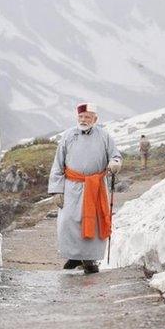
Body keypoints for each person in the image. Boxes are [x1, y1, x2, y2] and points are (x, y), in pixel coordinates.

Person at [48, 103, 122, 275]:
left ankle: (89, 260)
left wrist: (115, 163)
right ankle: (74, 256)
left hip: (95, 186)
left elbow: (115, 156)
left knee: (93, 222)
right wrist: (56, 190)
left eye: (87, 117)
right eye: (81, 117)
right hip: (72, 186)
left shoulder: (105, 136)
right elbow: (58, 164)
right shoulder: (67, 136)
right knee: (69, 221)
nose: (83, 120)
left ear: (95, 119)